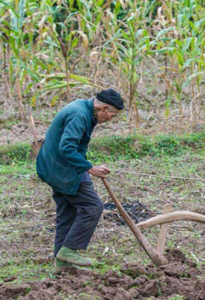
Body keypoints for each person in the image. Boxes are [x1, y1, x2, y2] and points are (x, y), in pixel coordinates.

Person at [36, 89, 124, 273]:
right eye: (112, 115)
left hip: (54, 166)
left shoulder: (84, 109)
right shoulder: (79, 114)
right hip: (63, 169)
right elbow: (67, 148)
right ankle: (69, 251)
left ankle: (61, 265)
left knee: (67, 213)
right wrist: (89, 167)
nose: (110, 120)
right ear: (105, 108)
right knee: (93, 207)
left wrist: (85, 165)